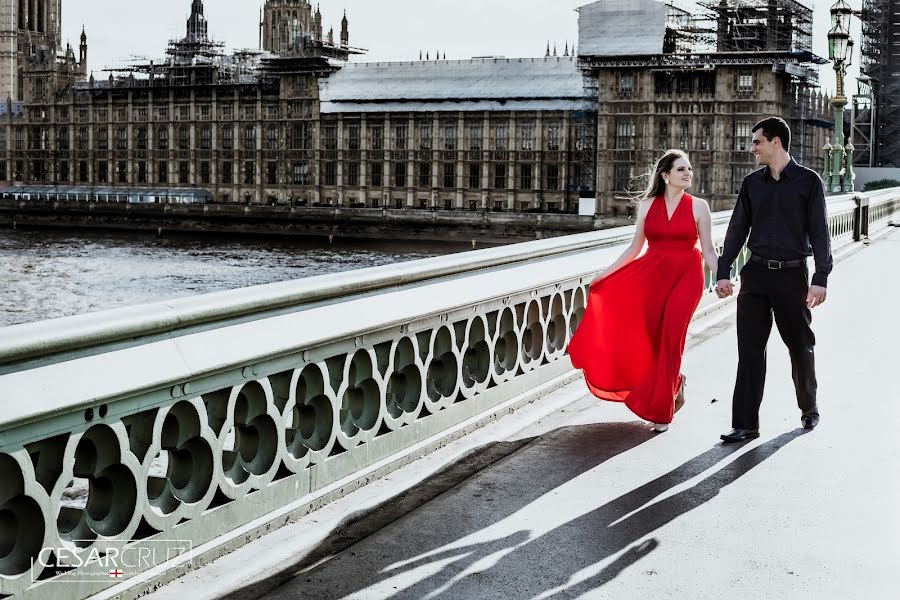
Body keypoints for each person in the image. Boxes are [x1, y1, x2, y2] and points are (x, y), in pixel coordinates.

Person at [568, 150, 720, 432]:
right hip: (653, 275)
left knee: (672, 338)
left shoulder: (699, 207)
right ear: (665, 176)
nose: (688, 173)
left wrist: (722, 276)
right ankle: (676, 383)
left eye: (689, 169)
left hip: (687, 275)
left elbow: (708, 249)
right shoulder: (648, 205)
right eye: (681, 170)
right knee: (650, 340)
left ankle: (662, 413)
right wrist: (605, 274)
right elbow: (635, 248)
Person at [716, 117, 832, 443]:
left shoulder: (808, 182)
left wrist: (821, 276)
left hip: (793, 275)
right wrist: (723, 271)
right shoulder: (752, 184)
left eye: (757, 142)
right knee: (750, 351)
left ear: (775, 142)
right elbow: (737, 229)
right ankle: (745, 424)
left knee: (800, 347)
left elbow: (820, 233)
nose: (752, 148)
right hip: (755, 275)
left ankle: (808, 407)